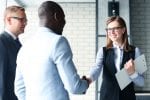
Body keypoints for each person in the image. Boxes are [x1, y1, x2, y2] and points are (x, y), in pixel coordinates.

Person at [14, 1, 89, 100]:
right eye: (63, 17)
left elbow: (19, 89)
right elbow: (74, 87)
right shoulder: (58, 41)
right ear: (56, 16)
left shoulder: (24, 48)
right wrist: (86, 82)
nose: (64, 22)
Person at [86, 16, 144, 100]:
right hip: (106, 96)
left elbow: (141, 82)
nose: (111, 32)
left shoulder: (136, 51)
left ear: (123, 30)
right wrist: (88, 80)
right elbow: (96, 69)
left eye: (115, 28)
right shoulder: (102, 51)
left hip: (127, 97)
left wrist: (132, 73)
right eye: (109, 29)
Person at [0, 6, 27, 100]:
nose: (25, 23)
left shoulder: (17, 43)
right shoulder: (1, 42)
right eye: (21, 20)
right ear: (9, 20)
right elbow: (1, 79)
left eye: (25, 20)